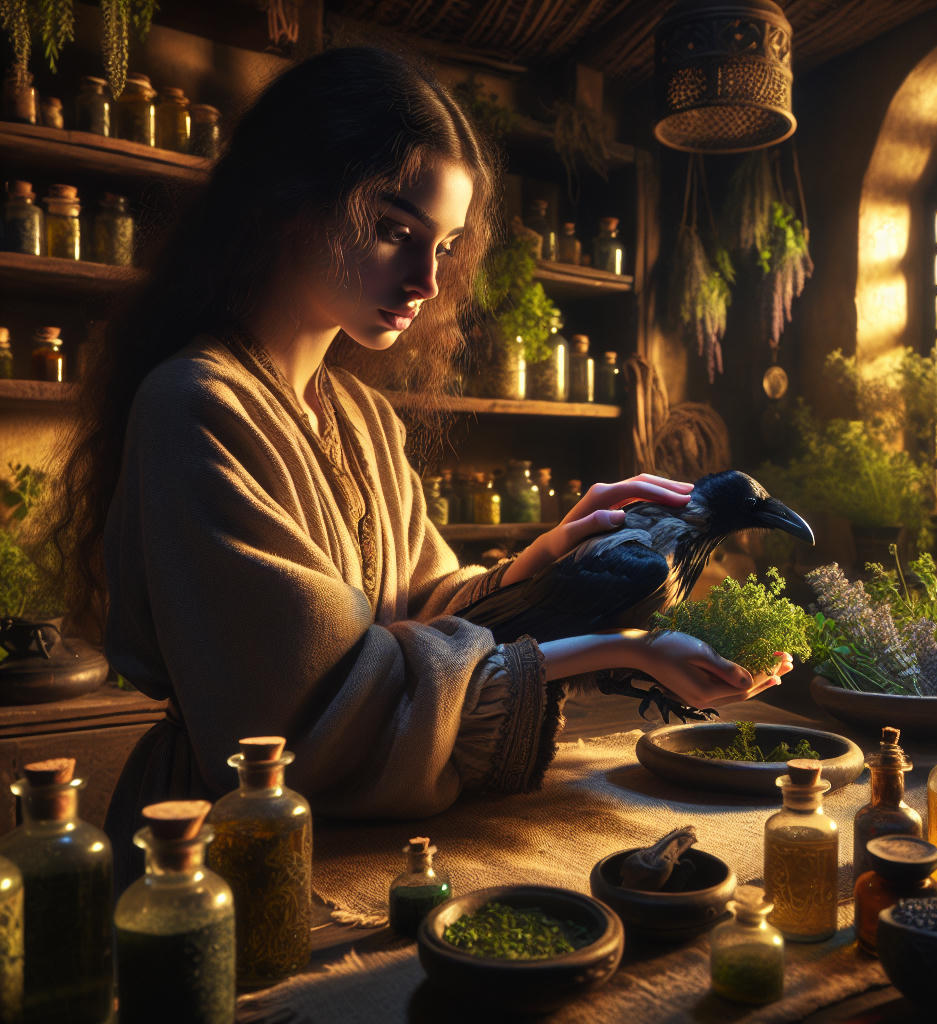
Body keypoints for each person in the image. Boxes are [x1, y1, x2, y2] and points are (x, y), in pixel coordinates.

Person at [52, 47, 792, 876]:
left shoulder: (360, 416)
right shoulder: (196, 405)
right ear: (285, 202)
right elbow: (309, 715)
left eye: (442, 246)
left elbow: (420, 610)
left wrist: (541, 565)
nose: (424, 281)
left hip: (357, 839)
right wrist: (620, 648)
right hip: (221, 848)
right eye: (392, 230)